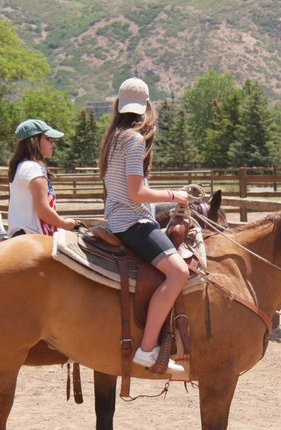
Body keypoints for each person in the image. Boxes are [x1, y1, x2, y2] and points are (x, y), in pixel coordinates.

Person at [99, 77, 188, 373]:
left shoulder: (113, 138)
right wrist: (177, 195)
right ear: (147, 106)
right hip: (133, 222)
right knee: (178, 273)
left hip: (117, 218)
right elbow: (137, 193)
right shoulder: (135, 140)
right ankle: (148, 349)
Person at [8, 119, 80, 236]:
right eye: (48, 138)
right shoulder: (33, 168)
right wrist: (65, 223)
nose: (53, 143)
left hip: (19, 234)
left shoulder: (21, 167)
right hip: (34, 235)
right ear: (34, 140)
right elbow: (43, 211)